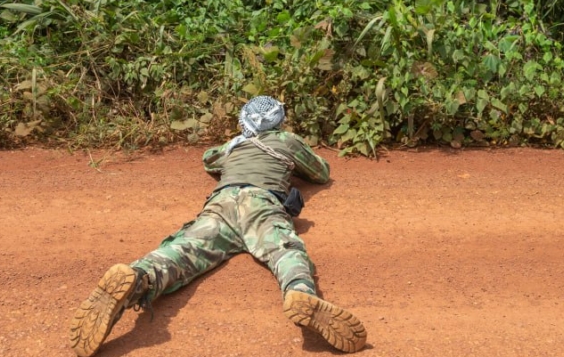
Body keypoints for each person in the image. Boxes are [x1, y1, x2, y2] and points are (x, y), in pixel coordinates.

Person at [69, 96, 367, 356]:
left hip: (221, 202)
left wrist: (237, 144)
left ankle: (139, 277)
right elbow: (321, 172)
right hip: (260, 202)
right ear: (279, 121)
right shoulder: (286, 141)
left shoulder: (234, 146)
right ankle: (299, 292)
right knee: (285, 250)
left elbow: (209, 161)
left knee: (182, 251)